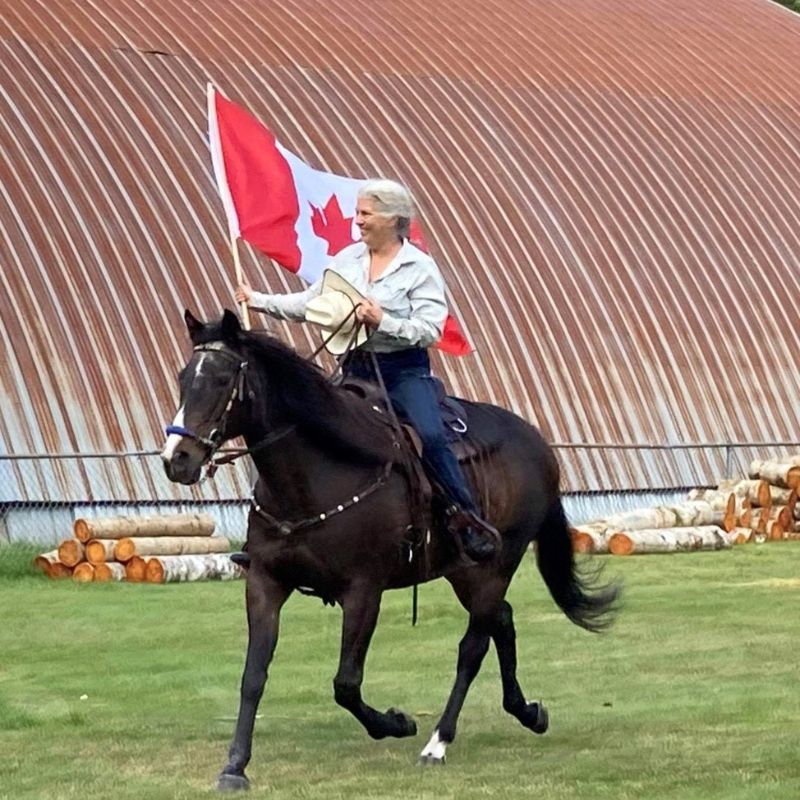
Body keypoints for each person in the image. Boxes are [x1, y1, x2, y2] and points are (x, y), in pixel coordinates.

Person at [235, 179, 496, 562]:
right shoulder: (347, 260)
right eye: (358, 212)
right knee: (303, 427)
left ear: (392, 218)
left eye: (364, 213)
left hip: (403, 371)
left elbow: (431, 329)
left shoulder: (419, 268)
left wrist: (382, 321)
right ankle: (271, 532)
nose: (357, 221)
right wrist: (257, 301)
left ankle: (467, 520)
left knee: (430, 435)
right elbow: (312, 303)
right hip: (355, 369)